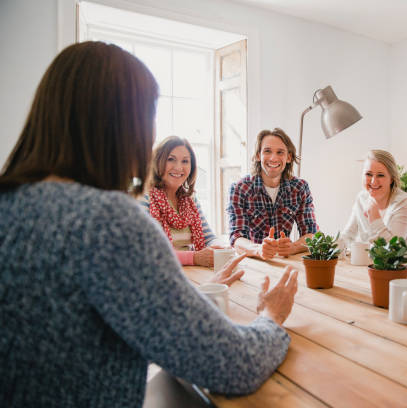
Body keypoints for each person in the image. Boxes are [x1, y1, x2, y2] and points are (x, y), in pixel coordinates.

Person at [0, 41, 298, 408]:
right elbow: (233, 364)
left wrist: (176, 292)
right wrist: (271, 315)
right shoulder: (109, 222)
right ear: (125, 127)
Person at [141, 136, 232, 271]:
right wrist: (194, 257)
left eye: (185, 161)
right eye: (171, 159)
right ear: (158, 161)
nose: (179, 167)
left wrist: (221, 247)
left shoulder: (191, 200)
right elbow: (145, 251)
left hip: (192, 274)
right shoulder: (144, 198)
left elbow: (209, 238)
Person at [227, 128, 318, 260]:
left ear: (288, 157)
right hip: (253, 262)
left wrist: (294, 247)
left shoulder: (300, 188)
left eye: (280, 152)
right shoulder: (240, 188)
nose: (273, 158)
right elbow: (236, 238)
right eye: (267, 151)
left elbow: (311, 233)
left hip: (286, 261)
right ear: (258, 155)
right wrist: (258, 249)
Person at [340, 149, 407, 262]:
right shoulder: (362, 198)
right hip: (377, 265)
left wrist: (375, 218)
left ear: (391, 179)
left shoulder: (404, 202)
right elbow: (348, 235)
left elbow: (393, 251)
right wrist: (328, 250)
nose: (374, 182)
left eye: (380, 175)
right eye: (368, 174)